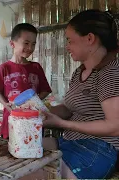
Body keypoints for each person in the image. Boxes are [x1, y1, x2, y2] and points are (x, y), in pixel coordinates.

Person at [43, 10, 119, 179]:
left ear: (90, 39)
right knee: (22, 152)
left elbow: (115, 126)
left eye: (70, 40)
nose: (67, 46)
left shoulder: (109, 73)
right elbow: (68, 109)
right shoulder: (80, 72)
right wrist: (39, 112)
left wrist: (63, 124)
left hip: (98, 149)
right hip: (69, 142)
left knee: (40, 171)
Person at [0, 23, 52, 139]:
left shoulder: (36, 67)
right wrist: (7, 105)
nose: (30, 48)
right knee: (11, 149)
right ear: (12, 44)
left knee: (31, 146)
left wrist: (33, 102)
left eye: (33, 44)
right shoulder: (4, 68)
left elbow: (45, 90)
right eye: (26, 43)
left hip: (32, 121)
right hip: (12, 119)